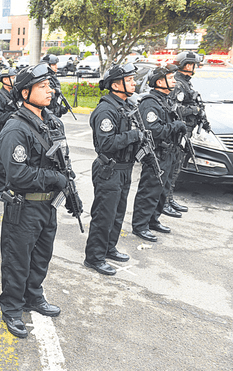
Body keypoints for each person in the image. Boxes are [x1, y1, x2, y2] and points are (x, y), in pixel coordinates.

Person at [0, 63, 74, 338]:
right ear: (25, 92)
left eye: (49, 85)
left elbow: (62, 160)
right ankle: (12, 309)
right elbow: (17, 175)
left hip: (47, 206)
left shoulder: (51, 121)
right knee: (17, 261)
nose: (49, 91)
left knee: (41, 256)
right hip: (25, 206)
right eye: (42, 87)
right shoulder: (16, 129)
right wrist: (55, 179)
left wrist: (69, 187)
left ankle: (34, 297)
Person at [84, 63, 142, 276]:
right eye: (129, 79)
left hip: (124, 169)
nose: (134, 82)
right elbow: (105, 144)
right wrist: (134, 136)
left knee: (117, 214)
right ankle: (94, 257)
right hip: (109, 169)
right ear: (116, 84)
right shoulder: (106, 109)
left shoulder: (126, 106)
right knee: (104, 215)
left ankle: (109, 247)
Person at [131, 65, 187, 243]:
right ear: (160, 82)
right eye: (170, 78)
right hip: (157, 154)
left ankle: (153, 220)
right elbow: (153, 130)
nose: (174, 81)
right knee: (150, 190)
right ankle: (140, 225)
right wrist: (175, 126)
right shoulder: (150, 102)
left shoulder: (166, 100)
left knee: (162, 191)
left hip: (170, 153)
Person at [166, 51, 206, 216]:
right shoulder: (178, 84)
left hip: (186, 132)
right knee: (172, 167)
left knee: (177, 167)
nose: (194, 67)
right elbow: (175, 108)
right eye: (193, 64)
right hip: (178, 133)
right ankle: (165, 201)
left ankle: (169, 198)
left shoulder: (185, 83)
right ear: (187, 65)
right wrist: (194, 110)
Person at [0, 68, 18, 200]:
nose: (15, 79)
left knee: (11, 161)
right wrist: (13, 115)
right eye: (12, 77)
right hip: (1, 132)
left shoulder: (14, 95)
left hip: (12, 133)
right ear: (5, 79)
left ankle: (8, 188)